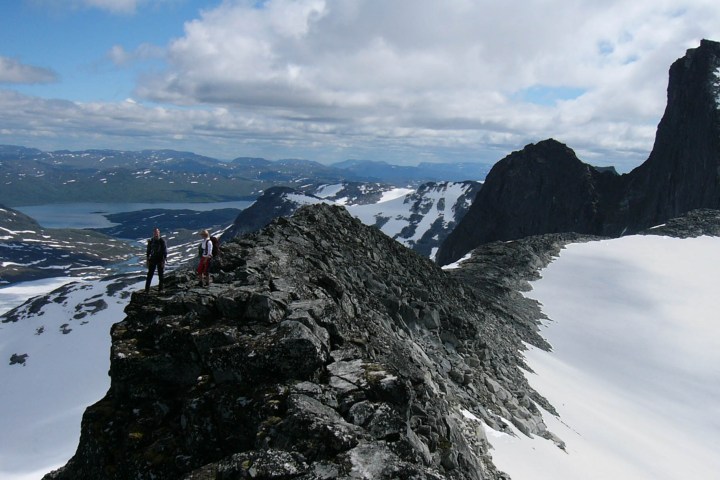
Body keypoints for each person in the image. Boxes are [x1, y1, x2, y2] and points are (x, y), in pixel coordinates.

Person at [145, 227, 168, 293]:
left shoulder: (162, 241)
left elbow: (165, 251)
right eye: (155, 232)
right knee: (149, 275)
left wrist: (164, 260)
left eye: (157, 232)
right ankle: (147, 290)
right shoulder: (151, 241)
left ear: (159, 233)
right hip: (152, 259)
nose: (156, 234)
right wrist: (147, 259)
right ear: (153, 233)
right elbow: (148, 250)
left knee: (161, 275)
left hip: (160, 260)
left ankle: (160, 289)